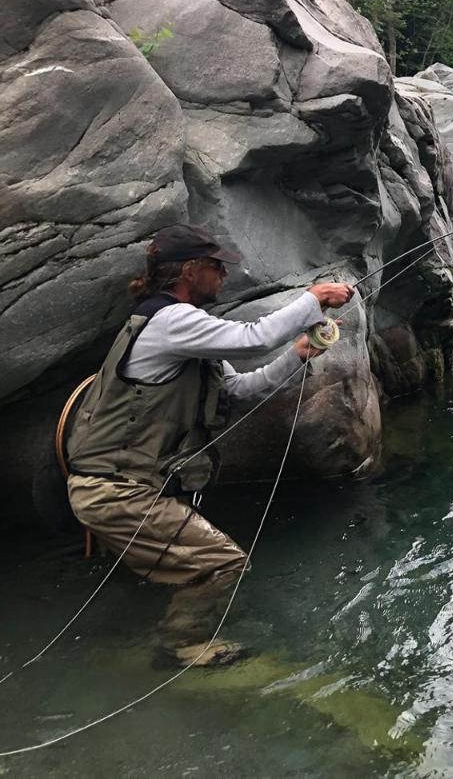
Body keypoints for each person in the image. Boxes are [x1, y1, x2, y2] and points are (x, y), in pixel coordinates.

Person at [65, 224, 355, 666]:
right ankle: (179, 646)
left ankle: (129, 646)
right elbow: (252, 338)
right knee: (222, 563)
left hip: (128, 487)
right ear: (189, 271)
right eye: (216, 266)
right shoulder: (170, 321)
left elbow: (241, 391)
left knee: (192, 566)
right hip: (117, 492)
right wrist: (313, 299)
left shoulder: (187, 331)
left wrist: (297, 354)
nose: (224, 275)